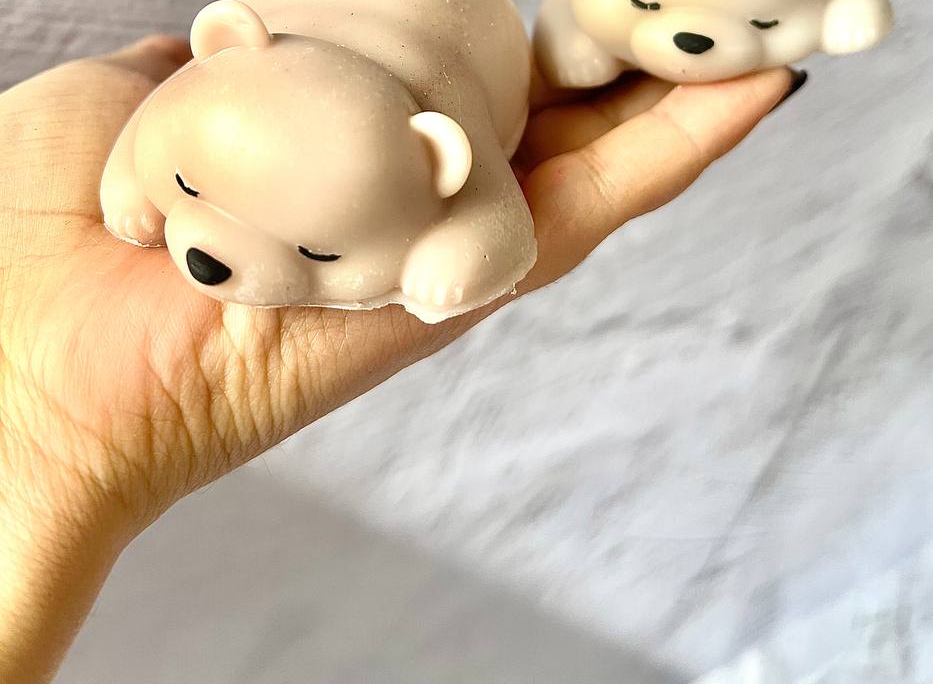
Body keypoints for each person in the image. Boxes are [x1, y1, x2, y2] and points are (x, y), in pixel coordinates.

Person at [0, 34, 804, 682]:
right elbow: (163, 116)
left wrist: (460, 250)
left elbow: (498, 229)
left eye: (314, 250)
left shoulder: (443, 148)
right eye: (188, 184)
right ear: (223, 45)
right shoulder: (228, 79)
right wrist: (136, 177)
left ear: (438, 164)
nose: (209, 257)